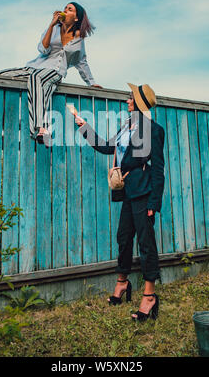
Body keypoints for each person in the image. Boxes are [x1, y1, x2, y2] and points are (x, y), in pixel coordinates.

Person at [74, 83, 165, 322]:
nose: (127, 102)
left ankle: (149, 297)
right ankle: (122, 284)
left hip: (144, 196)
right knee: (123, 238)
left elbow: (158, 170)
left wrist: (154, 202)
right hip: (127, 195)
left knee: (146, 245)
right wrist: (85, 128)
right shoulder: (127, 127)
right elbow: (107, 147)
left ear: (139, 103)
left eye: (131, 98)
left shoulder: (154, 130)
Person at [0, 2, 102, 146]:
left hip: (55, 71)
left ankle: (40, 127)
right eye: (65, 8)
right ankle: (5, 122)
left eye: (69, 9)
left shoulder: (79, 39)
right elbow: (43, 49)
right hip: (34, 67)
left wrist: (91, 82)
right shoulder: (54, 29)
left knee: (36, 79)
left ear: (76, 18)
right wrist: (51, 25)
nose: (65, 10)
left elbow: (81, 62)